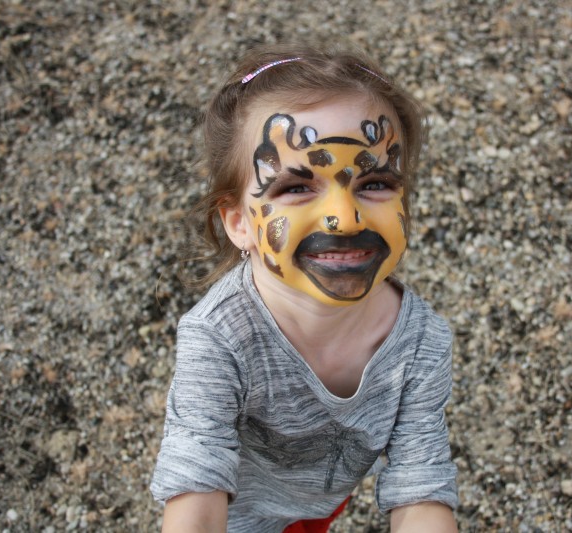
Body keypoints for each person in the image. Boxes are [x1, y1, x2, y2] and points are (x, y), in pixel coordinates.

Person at [150, 40, 458, 533]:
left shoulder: (422, 342)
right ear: (238, 223)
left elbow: (421, 484)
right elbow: (197, 478)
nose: (345, 218)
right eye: (295, 188)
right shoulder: (218, 338)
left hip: (320, 504)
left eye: (375, 183)